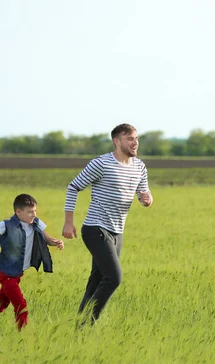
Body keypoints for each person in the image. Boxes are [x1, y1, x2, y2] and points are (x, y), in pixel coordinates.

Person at [62, 123, 153, 323]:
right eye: (129, 139)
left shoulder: (139, 166)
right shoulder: (101, 164)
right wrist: (69, 223)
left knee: (96, 281)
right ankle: (87, 323)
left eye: (136, 138)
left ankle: (79, 330)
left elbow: (143, 192)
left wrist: (146, 199)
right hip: (96, 228)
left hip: (117, 232)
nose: (135, 142)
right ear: (117, 141)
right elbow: (73, 187)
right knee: (113, 278)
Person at [0, 194, 64, 330]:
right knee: (21, 305)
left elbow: (47, 239)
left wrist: (56, 242)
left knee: (2, 302)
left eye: (34, 211)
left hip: (18, 273)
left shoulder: (36, 223)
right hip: (6, 273)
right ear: (18, 212)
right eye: (29, 212)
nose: (33, 214)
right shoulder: (6, 225)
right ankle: (23, 333)